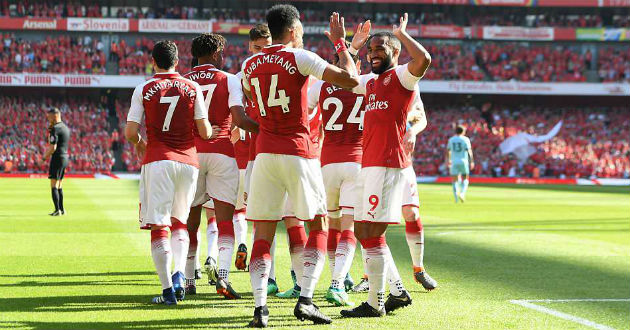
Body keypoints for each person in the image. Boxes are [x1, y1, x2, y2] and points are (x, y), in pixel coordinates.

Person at [241, 5, 359, 327]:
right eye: (302, 30)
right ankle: (305, 300)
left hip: (264, 153)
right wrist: (341, 44)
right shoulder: (300, 57)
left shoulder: (249, 63)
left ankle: (259, 309)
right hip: (299, 150)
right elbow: (350, 79)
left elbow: (252, 97)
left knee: (263, 231)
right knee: (319, 225)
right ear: (293, 30)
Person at [340, 13, 431, 318]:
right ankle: (395, 293)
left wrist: (401, 34)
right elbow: (347, 77)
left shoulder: (403, 77)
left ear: (394, 52)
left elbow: (425, 59)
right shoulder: (371, 82)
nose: (373, 54)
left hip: (389, 165)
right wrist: (347, 46)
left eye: (380, 49)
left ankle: (376, 302)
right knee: (364, 230)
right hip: (370, 165)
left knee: (372, 232)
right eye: (370, 51)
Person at [125, 40, 214, 305]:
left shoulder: (144, 88)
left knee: (159, 226)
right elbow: (206, 131)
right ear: (177, 62)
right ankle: (179, 276)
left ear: (153, 61)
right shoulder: (192, 87)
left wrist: (142, 144)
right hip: (188, 162)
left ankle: (167, 291)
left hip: (158, 160)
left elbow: (131, 133)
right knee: (180, 223)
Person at [183, 33, 258, 299]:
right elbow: (239, 116)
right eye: (222, 51)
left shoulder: (184, 81)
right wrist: (264, 130)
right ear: (216, 53)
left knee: (190, 220)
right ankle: (223, 279)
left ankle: (188, 279)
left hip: (191, 153)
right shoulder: (230, 79)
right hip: (222, 153)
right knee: (225, 220)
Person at [304, 43, 363, 307]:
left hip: (326, 162)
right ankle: (337, 283)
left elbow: (303, 111)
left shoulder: (320, 86)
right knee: (349, 226)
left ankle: (337, 275)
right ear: (356, 66)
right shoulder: (367, 84)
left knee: (331, 224)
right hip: (357, 162)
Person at [43, 107, 70, 216]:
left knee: (53, 185)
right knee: (59, 185)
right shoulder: (65, 127)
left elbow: (53, 147)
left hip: (57, 157)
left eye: (49, 117)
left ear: (55, 115)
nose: (48, 119)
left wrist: (43, 158)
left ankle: (57, 210)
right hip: (64, 157)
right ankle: (62, 209)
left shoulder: (55, 128)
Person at [447, 125, 474, 203]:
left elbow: (448, 151)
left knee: (454, 180)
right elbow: (469, 151)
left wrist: (448, 160)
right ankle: (462, 193)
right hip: (463, 161)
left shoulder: (451, 139)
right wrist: (471, 161)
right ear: (463, 131)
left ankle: (456, 198)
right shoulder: (466, 139)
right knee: (465, 178)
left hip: (454, 161)